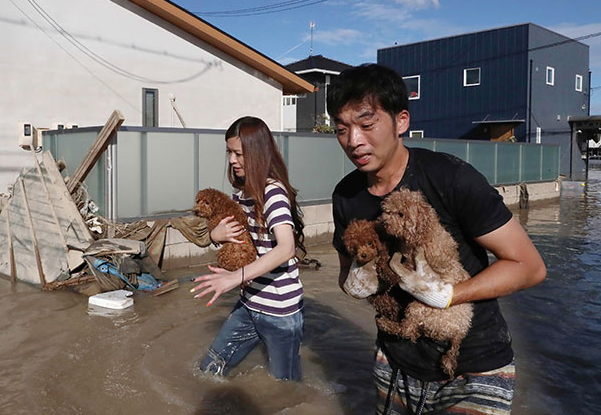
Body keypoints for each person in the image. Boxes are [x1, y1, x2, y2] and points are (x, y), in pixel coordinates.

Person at [328, 64, 546, 414]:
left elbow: (529, 267)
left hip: (474, 367)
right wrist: (355, 280)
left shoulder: (452, 178)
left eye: (366, 125)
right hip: (394, 363)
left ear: (401, 121)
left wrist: (447, 295)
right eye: (342, 129)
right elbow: (345, 271)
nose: (353, 141)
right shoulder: (346, 197)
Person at [191, 116, 306, 380]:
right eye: (229, 152)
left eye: (238, 153)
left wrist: (234, 278)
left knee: (285, 387)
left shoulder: (273, 193)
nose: (231, 160)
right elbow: (240, 238)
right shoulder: (240, 193)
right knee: (209, 369)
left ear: (257, 153)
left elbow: (287, 248)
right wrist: (214, 235)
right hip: (250, 303)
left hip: (281, 312)